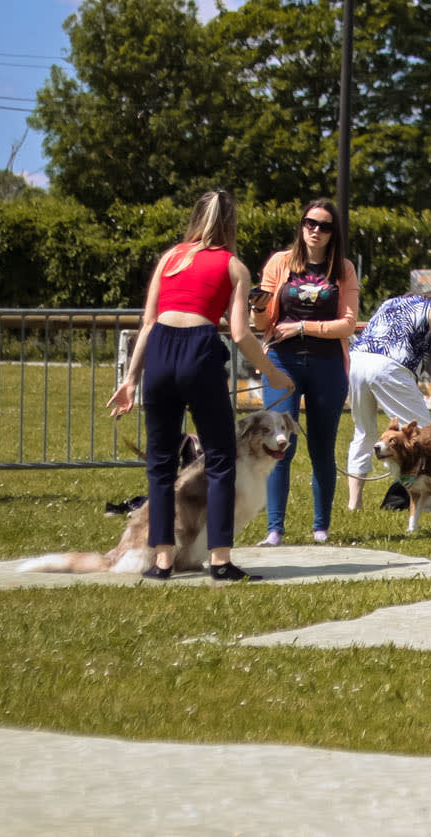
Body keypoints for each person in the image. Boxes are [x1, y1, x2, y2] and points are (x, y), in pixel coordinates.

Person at [107, 190, 295, 582]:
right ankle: (221, 561)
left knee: (160, 463)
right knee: (222, 456)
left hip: (159, 352)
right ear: (231, 224)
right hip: (199, 352)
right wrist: (272, 374)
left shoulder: (169, 258)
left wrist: (130, 381)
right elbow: (241, 333)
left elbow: (147, 322)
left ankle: (161, 563)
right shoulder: (234, 267)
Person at [252, 198, 359, 545]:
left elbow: (347, 325)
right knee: (279, 444)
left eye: (324, 226)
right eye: (310, 223)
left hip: (327, 364)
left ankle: (320, 527)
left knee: (322, 449)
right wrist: (256, 308)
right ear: (301, 225)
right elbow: (263, 322)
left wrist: (301, 327)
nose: (316, 230)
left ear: (333, 233)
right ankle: (274, 530)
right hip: (282, 362)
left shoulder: (343, 269)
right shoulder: (280, 263)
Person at [344, 289, 431, 513]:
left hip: (356, 361)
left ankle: (354, 503)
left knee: (363, 432)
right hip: (390, 367)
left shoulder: (391, 302)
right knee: (426, 435)